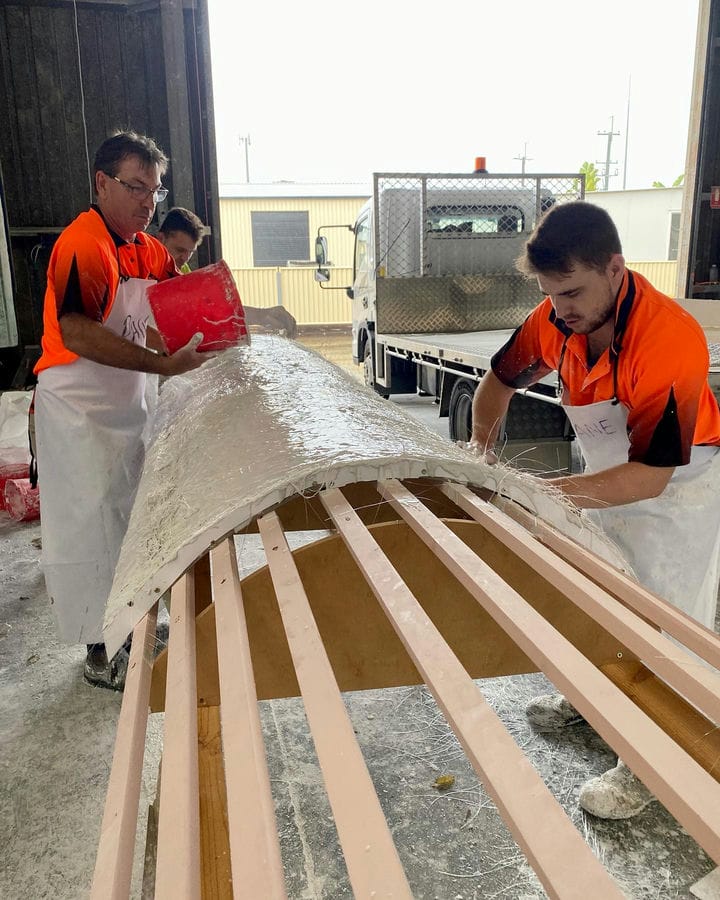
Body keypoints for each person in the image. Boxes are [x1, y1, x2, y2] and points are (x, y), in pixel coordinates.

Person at [469, 201, 720, 819]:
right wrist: (479, 455)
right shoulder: (555, 322)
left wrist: (540, 496)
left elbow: (653, 478)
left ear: (615, 267)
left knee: (665, 622)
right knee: (599, 595)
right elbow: (499, 382)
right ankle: (594, 701)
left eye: (574, 292)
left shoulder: (667, 340)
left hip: (677, 488)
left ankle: (653, 762)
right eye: (551, 295)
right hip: (609, 472)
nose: (562, 310)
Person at [33, 131, 218, 690]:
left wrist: (225, 330)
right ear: (102, 183)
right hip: (80, 404)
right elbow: (76, 330)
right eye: (136, 188)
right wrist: (163, 366)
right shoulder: (83, 244)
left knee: (131, 519)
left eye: (155, 192)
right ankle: (100, 651)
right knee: (94, 528)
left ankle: (133, 632)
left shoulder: (147, 247)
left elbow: (175, 298)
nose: (146, 202)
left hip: (128, 399)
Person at [156, 205, 298, 337]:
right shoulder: (144, 271)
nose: (185, 258)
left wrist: (263, 315)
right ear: (161, 239)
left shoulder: (182, 270)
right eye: (180, 250)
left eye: (190, 252)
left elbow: (213, 310)